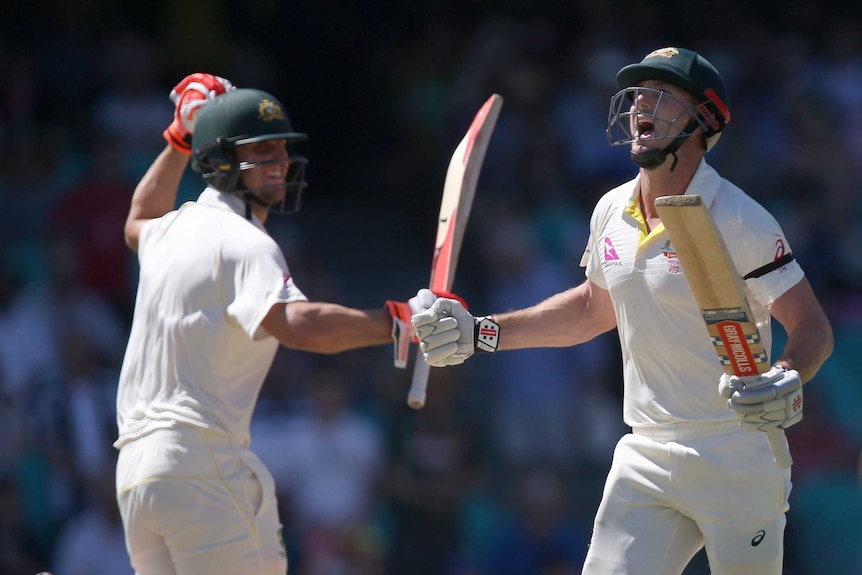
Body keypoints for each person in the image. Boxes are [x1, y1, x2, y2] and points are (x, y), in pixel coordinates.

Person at [412, 47, 834, 575]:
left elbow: (812, 327)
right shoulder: (611, 208)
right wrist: (481, 333)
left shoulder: (741, 218)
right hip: (646, 451)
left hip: (736, 450)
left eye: (661, 96)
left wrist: (787, 374)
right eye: (637, 95)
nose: (640, 106)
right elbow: (591, 310)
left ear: (704, 118)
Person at [114, 73, 435, 575]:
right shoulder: (246, 241)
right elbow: (297, 325)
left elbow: (138, 218)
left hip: (137, 474)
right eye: (262, 153)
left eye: (282, 151)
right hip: (203, 466)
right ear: (221, 160)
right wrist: (395, 322)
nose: (281, 164)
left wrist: (180, 137)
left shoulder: (171, 231)